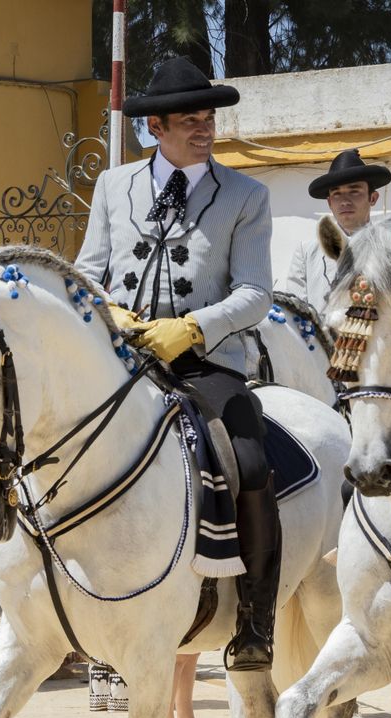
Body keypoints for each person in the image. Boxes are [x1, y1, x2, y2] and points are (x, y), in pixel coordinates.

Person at [75, 56, 278, 672]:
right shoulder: (113, 186)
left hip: (205, 363)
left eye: (208, 118)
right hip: (120, 358)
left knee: (250, 462)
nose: (204, 128)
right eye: (190, 120)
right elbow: (87, 272)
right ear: (155, 127)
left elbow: (256, 294)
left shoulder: (246, 194)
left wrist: (191, 327)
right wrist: (112, 313)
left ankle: (254, 620)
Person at [285, 148, 391, 309]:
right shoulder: (306, 253)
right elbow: (296, 313)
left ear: (373, 198)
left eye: (354, 191)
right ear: (329, 202)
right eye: (336, 194)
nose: (344, 201)